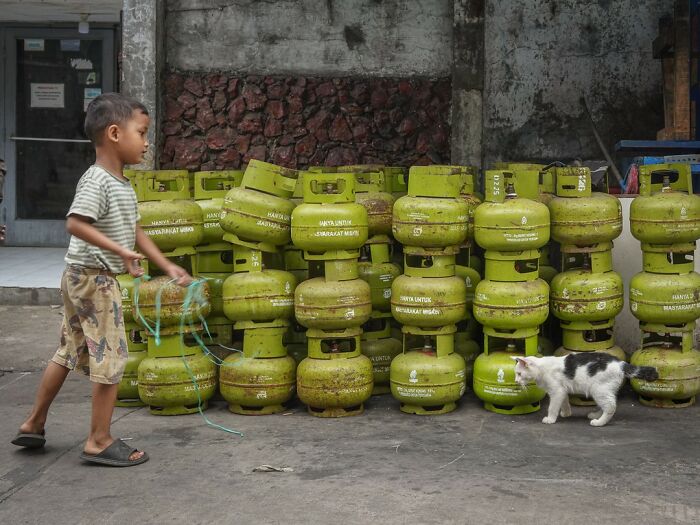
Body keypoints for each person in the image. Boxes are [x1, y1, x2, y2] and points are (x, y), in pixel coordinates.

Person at [11, 93, 192, 467]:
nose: (147, 142)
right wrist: (121, 253)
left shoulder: (121, 184)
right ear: (114, 133)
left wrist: (165, 265)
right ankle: (98, 439)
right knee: (110, 358)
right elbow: (75, 223)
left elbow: (135, 229)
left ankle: (33, 422)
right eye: (141, 133)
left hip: (80, 277)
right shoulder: (98, 180)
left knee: (68, 351)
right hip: (95, 281)